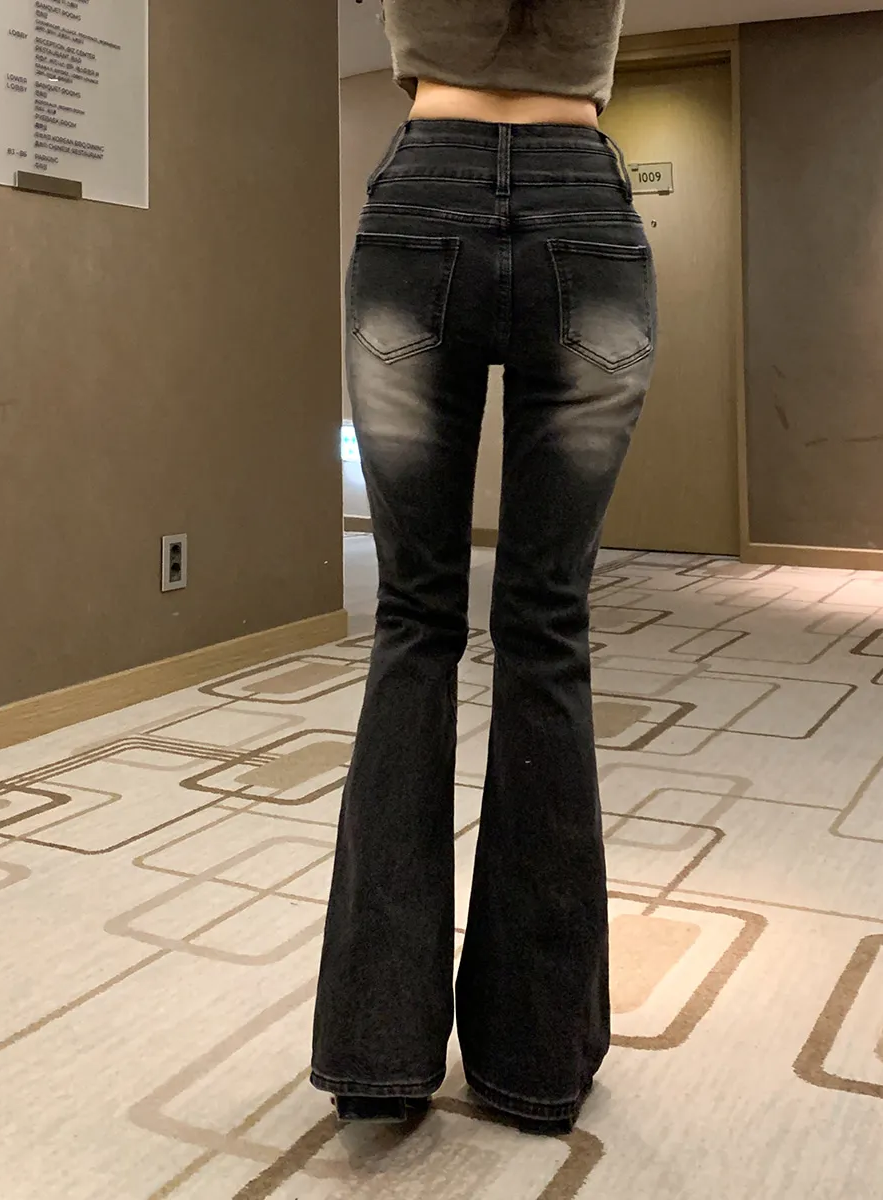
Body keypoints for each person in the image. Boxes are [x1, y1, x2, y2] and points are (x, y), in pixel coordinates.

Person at [311, 0, 657, 1136]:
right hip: (582, 200)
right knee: (547, 628)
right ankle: (536, 1059)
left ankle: (377, 1052)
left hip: (424, 192)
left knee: (414, 620)